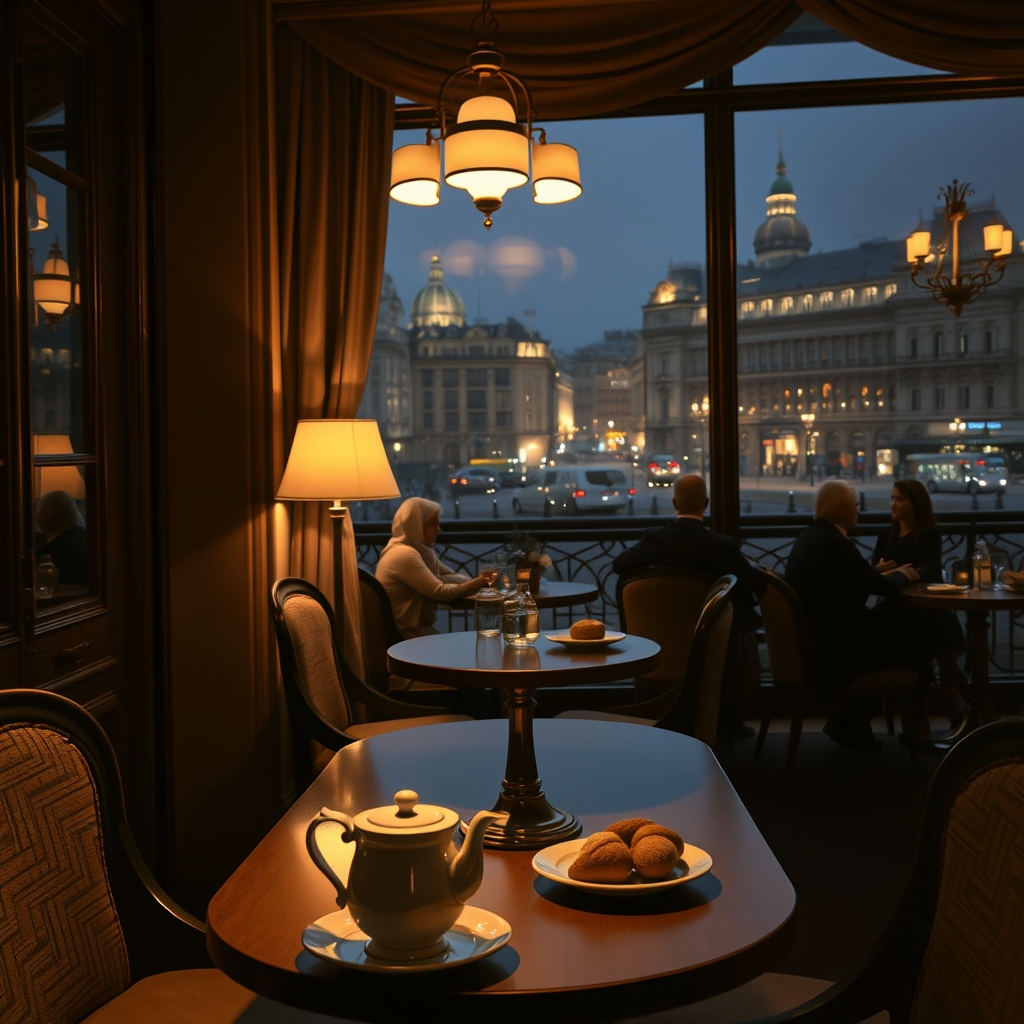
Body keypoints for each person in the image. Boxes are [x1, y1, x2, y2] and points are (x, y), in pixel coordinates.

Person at [612, 474, 766, 739]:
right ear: (706, 503)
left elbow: (619, 565)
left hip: (657, 650)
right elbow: (756, 584)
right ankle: (727, 722)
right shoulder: (721, 546)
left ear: (674, 503)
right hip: (711, 652)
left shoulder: (654, 540)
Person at [785, 480, 924, 750]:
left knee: (896, 632)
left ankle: (851, 724)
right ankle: (902, 729)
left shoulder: (813, 536)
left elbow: (848, 579)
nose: (859, 510)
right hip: (832, 647)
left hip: (814, 638)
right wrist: (903, 575)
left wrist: (876, 571)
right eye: (855, 505)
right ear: (841, 510)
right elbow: (880, 587)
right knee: (911, 643)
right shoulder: (837, 543)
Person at [872, 478, 967, 729]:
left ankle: (954, 717)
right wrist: (900, 573)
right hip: (899, 611)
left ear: (915, 503)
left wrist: (898, 573)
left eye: (900, 499)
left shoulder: (929, 533)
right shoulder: (887, 534)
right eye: (892, 498)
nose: (893, 504)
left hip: (926, 608)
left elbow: (932, 570)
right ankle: (948, 718)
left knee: (941, 647)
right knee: (935, 650)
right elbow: (876, 571)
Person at [376, 497, 493, 639]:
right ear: (416, 526)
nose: (438, 530)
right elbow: (439, 593)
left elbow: (449, 576)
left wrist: (449, 581)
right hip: (404, 636)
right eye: (433, 524)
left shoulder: (420, 551)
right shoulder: (404, 554)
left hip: (411, 631)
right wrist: (479, 582)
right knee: (475, 644)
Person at [36, 490, 87, 587]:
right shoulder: (84, 539)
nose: (37, 517)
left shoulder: (51, 552)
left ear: (51, 515)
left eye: (40, 512)